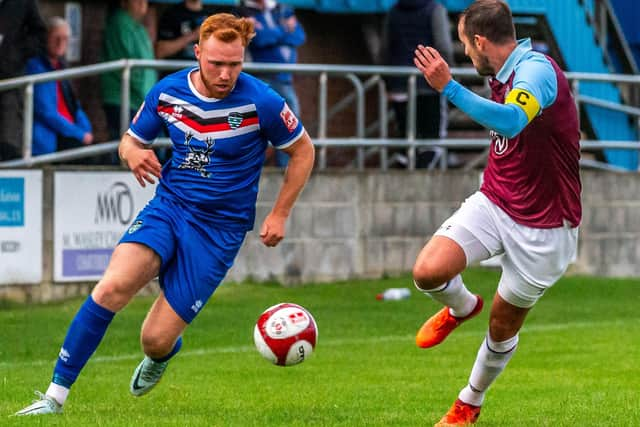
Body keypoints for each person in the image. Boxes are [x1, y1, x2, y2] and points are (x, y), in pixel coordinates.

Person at [15, 12, 315, 416]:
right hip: (169, 207)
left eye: (235, 64)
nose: (226, 74)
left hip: (219, 232)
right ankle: (54, 397)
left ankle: (161, 355)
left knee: (153, 340)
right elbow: (128, 142)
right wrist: (133, 152)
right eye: (216, 64)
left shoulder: (261, 100)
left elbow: (303, 151)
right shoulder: (168, 92)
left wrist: (280, 213)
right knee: (112, 288)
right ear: (197, 54)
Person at [411, 1, 581, 425]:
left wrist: (448, 87)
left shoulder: (536, 73)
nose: (467, 54)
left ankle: (469, 401)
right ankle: (461, 306)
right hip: (496, 200)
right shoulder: (504, 72)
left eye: (468, 45)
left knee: (502, 326)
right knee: (427, 272)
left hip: (545, 227)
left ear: (482, 42)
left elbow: (509, 123)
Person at [235, 0, 305, 168]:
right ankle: (246, 166)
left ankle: (286, 168)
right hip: (261, 78)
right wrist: (284, 30)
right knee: (255, 125)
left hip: (284, 79)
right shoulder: (242, 11)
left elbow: (300, 36)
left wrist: (272, 33)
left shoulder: (281, 8)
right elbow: (259, 40)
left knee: (290, 122)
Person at [385, 0, 453, 168]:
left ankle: (404, 171)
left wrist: (387, 80)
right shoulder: (435, 10)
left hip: (398, 84)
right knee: (431, 140)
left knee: (405, 137)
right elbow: (443, 45)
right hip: (429, 84)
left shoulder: (393, 11)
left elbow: (385, 48)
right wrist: (449, 73)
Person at [25, 16, 94, 156]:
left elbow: (74, 106)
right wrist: (79, 134)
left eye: (65, 39)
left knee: (107, 153)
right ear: (46, 38)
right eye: (56, 37)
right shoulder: (35, 67)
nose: (60, 43)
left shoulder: (62, 67)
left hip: (70, 132)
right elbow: (46, 113)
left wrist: (86, 130)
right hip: (50, 138)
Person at [101, 0, 157, 144]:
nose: (141, 3)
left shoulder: (139, 27)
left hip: (141, 100)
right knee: (130, 146)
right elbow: (127, 64)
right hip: (125, 99)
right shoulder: (120, 23)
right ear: (124, 3)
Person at [0, 0, 46, 161]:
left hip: (10, 79)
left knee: (8, 141)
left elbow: (39, 35)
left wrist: (15, 53)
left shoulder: (22, 2)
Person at [155, 0, 224, 61]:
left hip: (204, 71)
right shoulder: (172, 14)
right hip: (178, 71)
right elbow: (160, 52)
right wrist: (193, 35)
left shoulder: (212, 16)